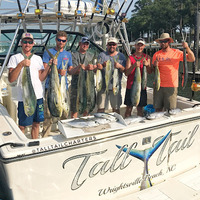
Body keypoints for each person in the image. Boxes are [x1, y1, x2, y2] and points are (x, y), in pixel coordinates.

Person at [7, 32, 49, 139]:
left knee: (36, 123)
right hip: (24, 98)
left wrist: (49, 67)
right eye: (25, 42)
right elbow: (11, 79)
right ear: (21, 43)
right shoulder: (14, 58)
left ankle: (35, 145)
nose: (27, 44)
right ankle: (22, 144)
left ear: (33, 44)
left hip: (38, 96)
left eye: (30, 42)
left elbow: (41, 78)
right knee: (22, 125)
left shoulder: (38, 59)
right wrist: (21, 64)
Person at [152, 33, 195, 111]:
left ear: (169, 42)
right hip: (158, 85)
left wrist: (187, 48)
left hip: (171, 85)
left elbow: (192, 59)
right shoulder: (156, 54)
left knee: (170, 110)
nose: (163, 43)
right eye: (161, 41)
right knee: (157, 109)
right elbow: (152, 70)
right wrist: (155, 66)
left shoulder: (176, 52)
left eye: (165, 41)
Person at [42, 31, 73, 137]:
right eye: (59, 40)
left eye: (63, 41)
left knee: (64, 113)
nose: (61, 42)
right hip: (51, 88)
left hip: (64, 88)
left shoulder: (68, 54)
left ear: (66, 42)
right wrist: (57, 69)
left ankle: (64, 135)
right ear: (56, 40)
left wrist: (80, 68)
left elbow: (70, 70)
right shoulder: (48, 52)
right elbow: (45, 69)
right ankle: (45, 136)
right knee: (48, 114)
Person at [96, 37, 126, 114]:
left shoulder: (121, 56)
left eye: (113, 44)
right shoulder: (101, 55)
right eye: (110, 44)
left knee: (116, 108)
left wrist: (120, 67)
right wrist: (101, 65)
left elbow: (125, 71)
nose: (112, 46)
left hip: (115, 86)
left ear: (116, 45)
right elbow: (97, 69)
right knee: (100, 108)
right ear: (107, 45)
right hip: (102, 86)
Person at [124, 38, 151, 117]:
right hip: (131, 87)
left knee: (140, 109)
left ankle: (138, 124)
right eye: (138, 45)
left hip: (142, 87)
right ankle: (127, 124)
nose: (139, 47)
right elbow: (126, 73)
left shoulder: (147, 57)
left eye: (141, 45)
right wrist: (134, 66)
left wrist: (147, 65)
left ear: (144, 46)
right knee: (129, 108)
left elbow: (150, 71)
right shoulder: (130, 58)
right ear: (135, 46)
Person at [70, 36, 97, 118]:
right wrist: (83, 68)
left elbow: (95, 70)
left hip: (89, 85)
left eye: (86, 44)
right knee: (75, 108)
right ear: (79, 44)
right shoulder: (74, 55)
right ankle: (74, 126)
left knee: (87, 108)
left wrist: (94, 67)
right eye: (83, 43)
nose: (85, 45)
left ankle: (85, 124)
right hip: (76, 85)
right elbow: (73, 71)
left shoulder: (92, 56)